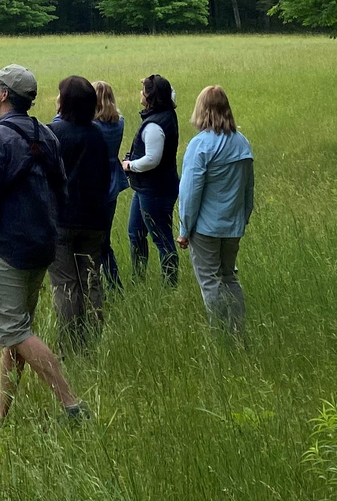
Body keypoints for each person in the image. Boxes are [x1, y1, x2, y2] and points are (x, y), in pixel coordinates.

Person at [0, 64, 87, 422]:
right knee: (16, 333)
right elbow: (62, 189)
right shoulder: (46, 134)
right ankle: (1, 411)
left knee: (16, 332)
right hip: (42, 246)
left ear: (4, 94)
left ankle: (71, 404)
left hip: (6, 249)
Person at [176, 85, 256, 336]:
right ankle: (237, 331)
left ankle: (219, 334)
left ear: (201, 109)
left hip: (205, 228)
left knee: (210, 282)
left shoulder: (200, 146)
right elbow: (248, 189)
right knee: (229, 277)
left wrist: (184, 229)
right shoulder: (242, 143)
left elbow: (190, 193)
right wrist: (243, 218)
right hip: (233, 226)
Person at [48, 76, 115, 351]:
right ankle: (93, 340)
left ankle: (70, 343)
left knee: (66, 284)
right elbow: (104, 177)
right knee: (91, 280)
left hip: (62, 220)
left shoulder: (53, 133)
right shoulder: (98, 134)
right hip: (94, 219)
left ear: (64, 102)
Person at [121, 73, 181, 286]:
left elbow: (152, 160)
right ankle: (138, 280)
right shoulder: (167, 112)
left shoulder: (154, 126)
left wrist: (130, 165)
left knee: (162, 239)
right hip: (147, 188)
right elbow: (169, 91)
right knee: (134, 233)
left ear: (149, 97)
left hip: (155, 189)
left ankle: (170, 285)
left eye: (144, 90)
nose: (140, 93)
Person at [93, 80, 128, 289]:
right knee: (105, 239)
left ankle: (112, 285)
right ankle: (114, 283)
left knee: (99, 243)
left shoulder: (94, 127)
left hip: (98, 184)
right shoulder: (119, 122)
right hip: (113, 181)